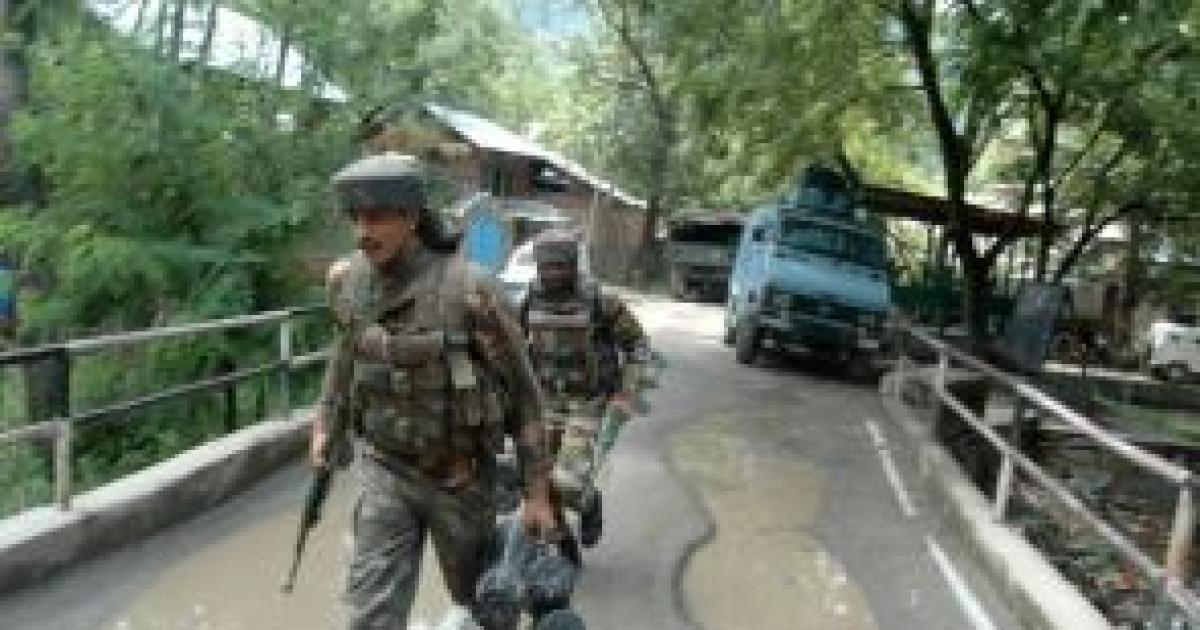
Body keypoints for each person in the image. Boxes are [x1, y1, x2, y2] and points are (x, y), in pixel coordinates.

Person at [310, 151, 557, 630]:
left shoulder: (471, 291)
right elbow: (344, 358)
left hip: (461, 479)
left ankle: (522, 568)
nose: (362, 231)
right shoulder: (347, 283)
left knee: (486, 602)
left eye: (376, 217)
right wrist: (325, 424)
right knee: (369, 616)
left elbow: (526, 398)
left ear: (411, 217)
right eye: (355, 218)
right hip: (386, 469)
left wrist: (538, 494)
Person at [518, 229, 649, 549]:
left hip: (588, 403)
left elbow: (639, 347)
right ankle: (562, 542)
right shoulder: (529, 298)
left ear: (574, 264)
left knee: (568, 483)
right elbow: (512, 346)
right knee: (534, 480)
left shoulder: (600, 300)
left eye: (560, 266)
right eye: (546, 267)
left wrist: (627, 393)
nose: (552, 273)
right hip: (544, 401)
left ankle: (589, 502)